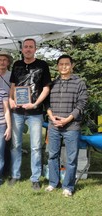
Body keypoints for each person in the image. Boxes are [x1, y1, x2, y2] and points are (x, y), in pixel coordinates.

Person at [8, 38, 51, 190]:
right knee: (16, 145)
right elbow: (13, 85)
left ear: (35, 49)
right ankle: (15, 175)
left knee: (35, 147)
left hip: (35, 112)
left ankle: (35, 178)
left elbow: (46, 88)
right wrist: (11, 99)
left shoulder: (42, 65)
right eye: (25, 47)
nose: (27, 49)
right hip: (18, 112)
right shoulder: (17, 65)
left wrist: (35, 103)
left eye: (30, 47)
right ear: (22, 49)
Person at [45, 54, 87, 197]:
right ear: (57, 66)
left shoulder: (79, 82)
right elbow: (47, 103)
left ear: (72, 65)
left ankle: (68, 186)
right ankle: (53, 182)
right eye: (61, 64)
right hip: (54, 125)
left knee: (71, 158)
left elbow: (82, 103)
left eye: (66, 64)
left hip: (72, 126)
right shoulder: (52, 83)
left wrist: (67, 119)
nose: (64, 66)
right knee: (52, 156)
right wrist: (52, 117)